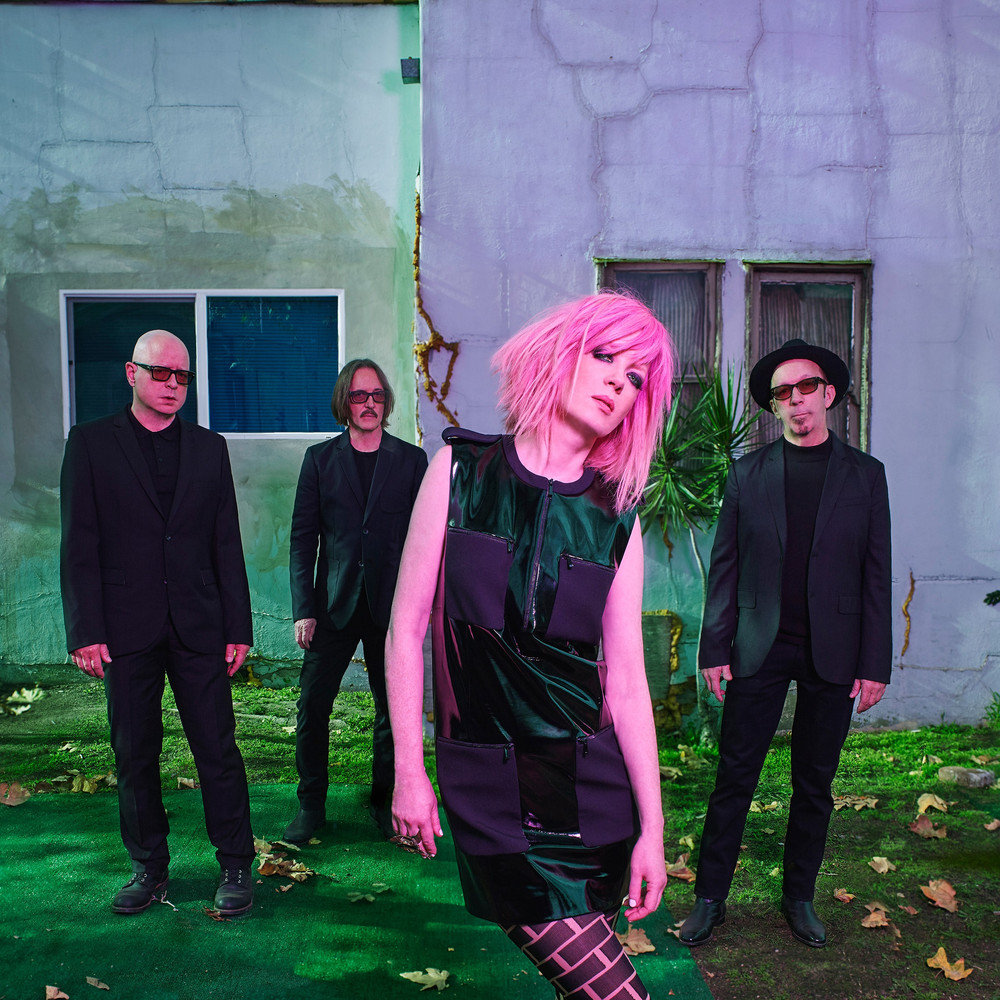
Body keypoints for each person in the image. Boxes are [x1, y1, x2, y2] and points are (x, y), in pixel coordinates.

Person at [386, 292, 673, 1000]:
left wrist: (653, 830)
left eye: (635, 377)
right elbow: (405, 630)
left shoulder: (617, 515)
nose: (618, 382)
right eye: (605, 357)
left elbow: (627, 683)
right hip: (489, 786)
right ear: (562, 352)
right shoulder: (458, 472)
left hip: (592, 789)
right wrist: (408, 769)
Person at [678, 338, 891, 950]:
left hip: (835, 649)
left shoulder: (866, 475)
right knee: (734, 777)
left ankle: (799, 897)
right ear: (774, 406)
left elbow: (877, 573)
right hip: (759, 646)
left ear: (829, 394)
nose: (796, 399)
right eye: (782, 393)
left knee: (814, 784)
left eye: (806, 387)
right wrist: (714, 648)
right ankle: (710, 899)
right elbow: (725, 568)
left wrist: (875, 662)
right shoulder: (747, 474)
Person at [59, 329, 256, 916]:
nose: (172, 385)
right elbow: (79, 545)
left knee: (218, 749)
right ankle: (148, 868)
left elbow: (226, 542)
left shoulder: (210, 448)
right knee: (134, 753)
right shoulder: (90, 444)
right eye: (160, 373)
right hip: (124, 629)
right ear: (132, 373)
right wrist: (85, 630)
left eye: (182, 376)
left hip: (200, 625)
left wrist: (237, 627)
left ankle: (236, 865)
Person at [284, 359, 427, 844]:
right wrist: (304, 609)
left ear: (386, 403)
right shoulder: (319, 460)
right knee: (312, 707)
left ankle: (384, 803)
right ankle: (311, 806)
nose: (369, 404)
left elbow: (423, 540)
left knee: (393, 711)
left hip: (392, 609)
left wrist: (421, 606)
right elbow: (303, 539)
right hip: (333, 606)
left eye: (377, 395)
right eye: (360, 395)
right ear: (344, 402)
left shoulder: (411, 462)